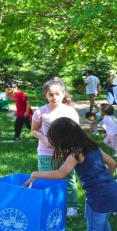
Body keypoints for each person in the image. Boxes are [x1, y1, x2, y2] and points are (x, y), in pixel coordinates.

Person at [23, 117, 117, 231]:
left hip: (98, 194)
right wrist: (105, 181)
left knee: (94, 229)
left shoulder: (76, 154)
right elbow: (112, 164)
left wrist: (36, 174)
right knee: (103, 224)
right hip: (110, 189)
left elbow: (61, 173)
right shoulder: (93, 147)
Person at [31, 77, 81, 217]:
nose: (54, 97)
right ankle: (50, 206)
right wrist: (44, 138)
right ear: (45, 95)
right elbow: (34, 130)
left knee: (68, 180)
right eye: (50, 94)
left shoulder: (70, 111)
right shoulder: (40, 112)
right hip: (45, 152)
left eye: (57, 94)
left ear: (63, 94)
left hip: (66, 153)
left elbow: (76, 131)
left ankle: (71, 206)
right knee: (46, 179)